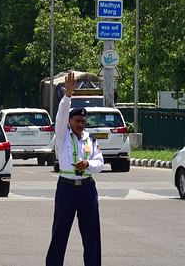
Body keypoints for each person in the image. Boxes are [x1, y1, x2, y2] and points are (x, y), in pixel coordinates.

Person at [46, 72, 104, 266]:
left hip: (87, 189)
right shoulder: (62, 136)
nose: (81, 124)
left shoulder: (90, 139)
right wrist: (67, 95)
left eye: (83, 122)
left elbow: (100, 163)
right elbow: (61, 115)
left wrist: (88, 164)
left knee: (92, 236)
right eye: (77, 121)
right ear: (70, 122)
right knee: (60, 233)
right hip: (66, 189)